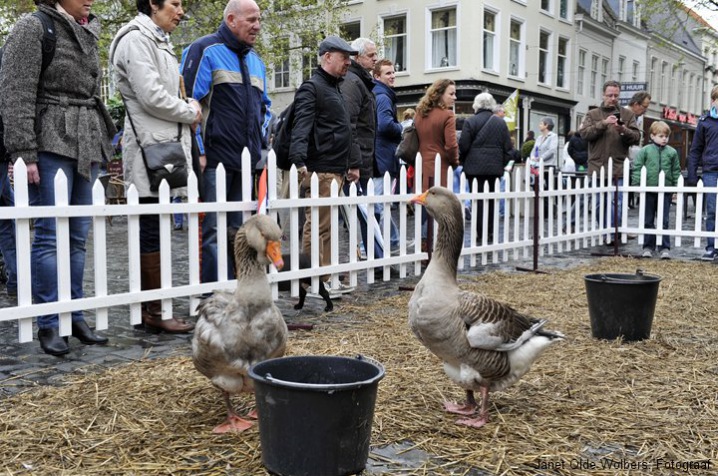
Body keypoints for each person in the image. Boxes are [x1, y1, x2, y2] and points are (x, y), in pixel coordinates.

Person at [0, 0, 115, 355]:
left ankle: (74, 315)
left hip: (86, 138)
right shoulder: (31, 28)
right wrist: (23, 152)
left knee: (78, 236)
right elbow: (14, 92)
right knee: (50, 235)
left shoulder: (86, 28)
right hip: (50, 137)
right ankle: (49, 322)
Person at [110, 0, 202, 333]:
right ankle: (154, 311)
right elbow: (150, 97)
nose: (181, 12)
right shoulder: (136, 39)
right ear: (152, 3)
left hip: (163, 143)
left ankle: (157, 307)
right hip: (150, 145)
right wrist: (189, 110)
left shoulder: (159, 40)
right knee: (151, 225)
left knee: (158, 224)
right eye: (175, 4)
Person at [181, 0, 271, 283]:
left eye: (259, 20)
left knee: (240, 230)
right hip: (215, 158)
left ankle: (237, 288)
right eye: (251, 20)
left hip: (246, 162)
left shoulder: (257, 61)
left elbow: (265, 108)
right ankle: (212, 293)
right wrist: (200, 150)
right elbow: (188, 102)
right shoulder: (204, 50)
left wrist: (260, 146)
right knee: (214, 230)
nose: (257, 26)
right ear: (231, 19)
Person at [288, 36, 360, 293]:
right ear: (327, 56)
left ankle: (327, 276)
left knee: (327, 227)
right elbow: (302, 125)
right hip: (321, 168)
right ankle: (312, 280)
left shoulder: (334, 88)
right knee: (318, 225)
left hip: (335, 167)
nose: (348, 63)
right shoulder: (313, 87)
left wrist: (352, 163)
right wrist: (298, 159)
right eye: (344, 57)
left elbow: (345, 129)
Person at [579, 80, 640, 243]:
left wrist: (623, 130)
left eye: (616, 95)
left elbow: (637, 137)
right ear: (603, 95)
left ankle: (614, 234)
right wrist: (603, 124)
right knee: (599, 204)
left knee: (617, 204)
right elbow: (584, 134)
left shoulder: (627, 115)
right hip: (598, 167)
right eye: (610, 95)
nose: (613, 98)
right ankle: (604, 231)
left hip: (618, 166)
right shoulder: (592, 115)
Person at [341, 37, 379, 263]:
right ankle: (370, 256)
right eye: (371, 55)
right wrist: (354, 162)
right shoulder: (353, 82)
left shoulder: (360, 81)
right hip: (357, 159)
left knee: (363, 212)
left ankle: (372, 255)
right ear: (357, 57)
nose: (375, 59)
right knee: (358, 213)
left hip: (363, 156)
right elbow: (350, 125)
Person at [459, 92, 512, 242]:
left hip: (474, 169)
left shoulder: (471, 122)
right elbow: (508, 149)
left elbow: (463, 146)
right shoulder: (501, 123)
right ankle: (490, 232)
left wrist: (465, 161)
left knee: (478, 202)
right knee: (491, 201)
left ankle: (479, 233)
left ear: (476, 105)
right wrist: (500, 163)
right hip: (494, 170)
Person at [631, 121, 680, 259]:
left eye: (666, 136)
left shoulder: (672, 152)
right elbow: (637, 167)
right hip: (648, 190)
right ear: (652, 136)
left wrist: (676, 189)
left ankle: (664, 247)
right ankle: (648, 247)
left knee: (664, 220)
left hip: (666, 191)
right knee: (648, 220)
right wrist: (637, 184)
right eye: (661, 136)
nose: (664, 138)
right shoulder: (645, 151)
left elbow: (676, 171)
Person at [372, 58, 403, 250]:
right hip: (383, 157)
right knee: (380, 205)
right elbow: (384, 125)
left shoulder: (379, 93)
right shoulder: (383, 97)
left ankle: (391, 240)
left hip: (380, 156)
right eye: (388, 73)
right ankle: (379, 243)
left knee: (380, 205)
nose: (392, 76)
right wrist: (402, 127)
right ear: (377, 76)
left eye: (393, 72)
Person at [687, 85, 718, 261]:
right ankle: (711, 247)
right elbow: (695, 150)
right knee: (712, 210)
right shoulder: (705, 122)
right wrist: (692, 174)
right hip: (711, 171)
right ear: (713, 101)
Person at [414, 78, 459, 192]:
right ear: (439, 94)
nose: (455, 97)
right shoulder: (448, 115)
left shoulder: (419, 114)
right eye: (451, 94)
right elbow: (451, 145)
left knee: (422, 203)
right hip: (440, 167)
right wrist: (454, 162)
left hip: (421, 165)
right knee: (438, 205)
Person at [626, 91, 651, 209]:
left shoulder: (638, 118)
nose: (645, 110)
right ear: (636, 104)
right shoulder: (624, 115)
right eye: (644, 107)